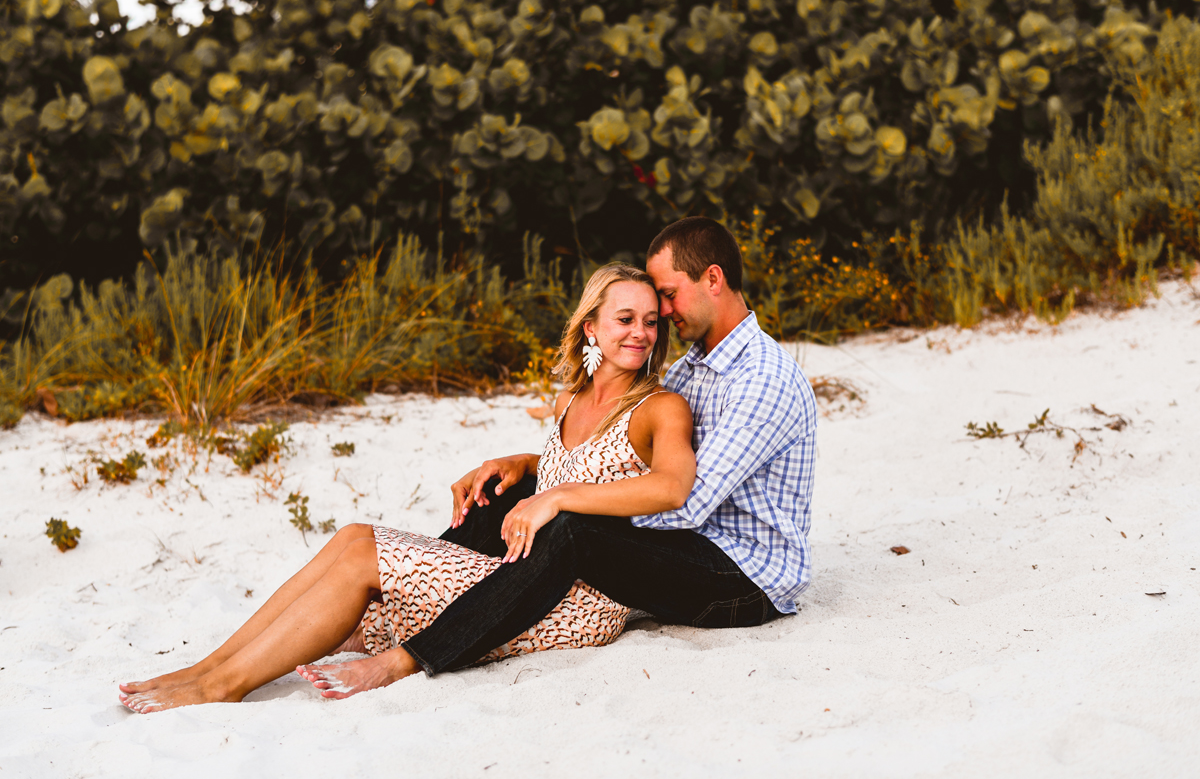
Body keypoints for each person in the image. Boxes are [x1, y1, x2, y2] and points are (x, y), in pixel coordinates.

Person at [118, 264, 696, 713]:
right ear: (591, 325)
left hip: (575, 598)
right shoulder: (571, 399)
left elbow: (672, 487)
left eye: (650, 321)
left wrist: (556, 496)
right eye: (625, 319)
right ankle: (209, 665)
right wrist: (526, 466)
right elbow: (576, 469)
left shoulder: (658, 406)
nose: (641, 333)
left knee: (363, 551)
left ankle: (223, 685)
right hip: (516, 572)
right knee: (352, 563)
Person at [283, 215, 818, 695]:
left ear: (714, 279)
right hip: (688, 540)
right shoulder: (695, 366)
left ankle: (410, 655)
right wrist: (531, 466)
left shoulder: (762, 380)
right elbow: (630, 454)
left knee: (573, 528)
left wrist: (562, 495)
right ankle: (414, 593)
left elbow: (683, 502)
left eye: (669, 296)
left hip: (741, 577)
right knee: (510, 494)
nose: (662, 315)